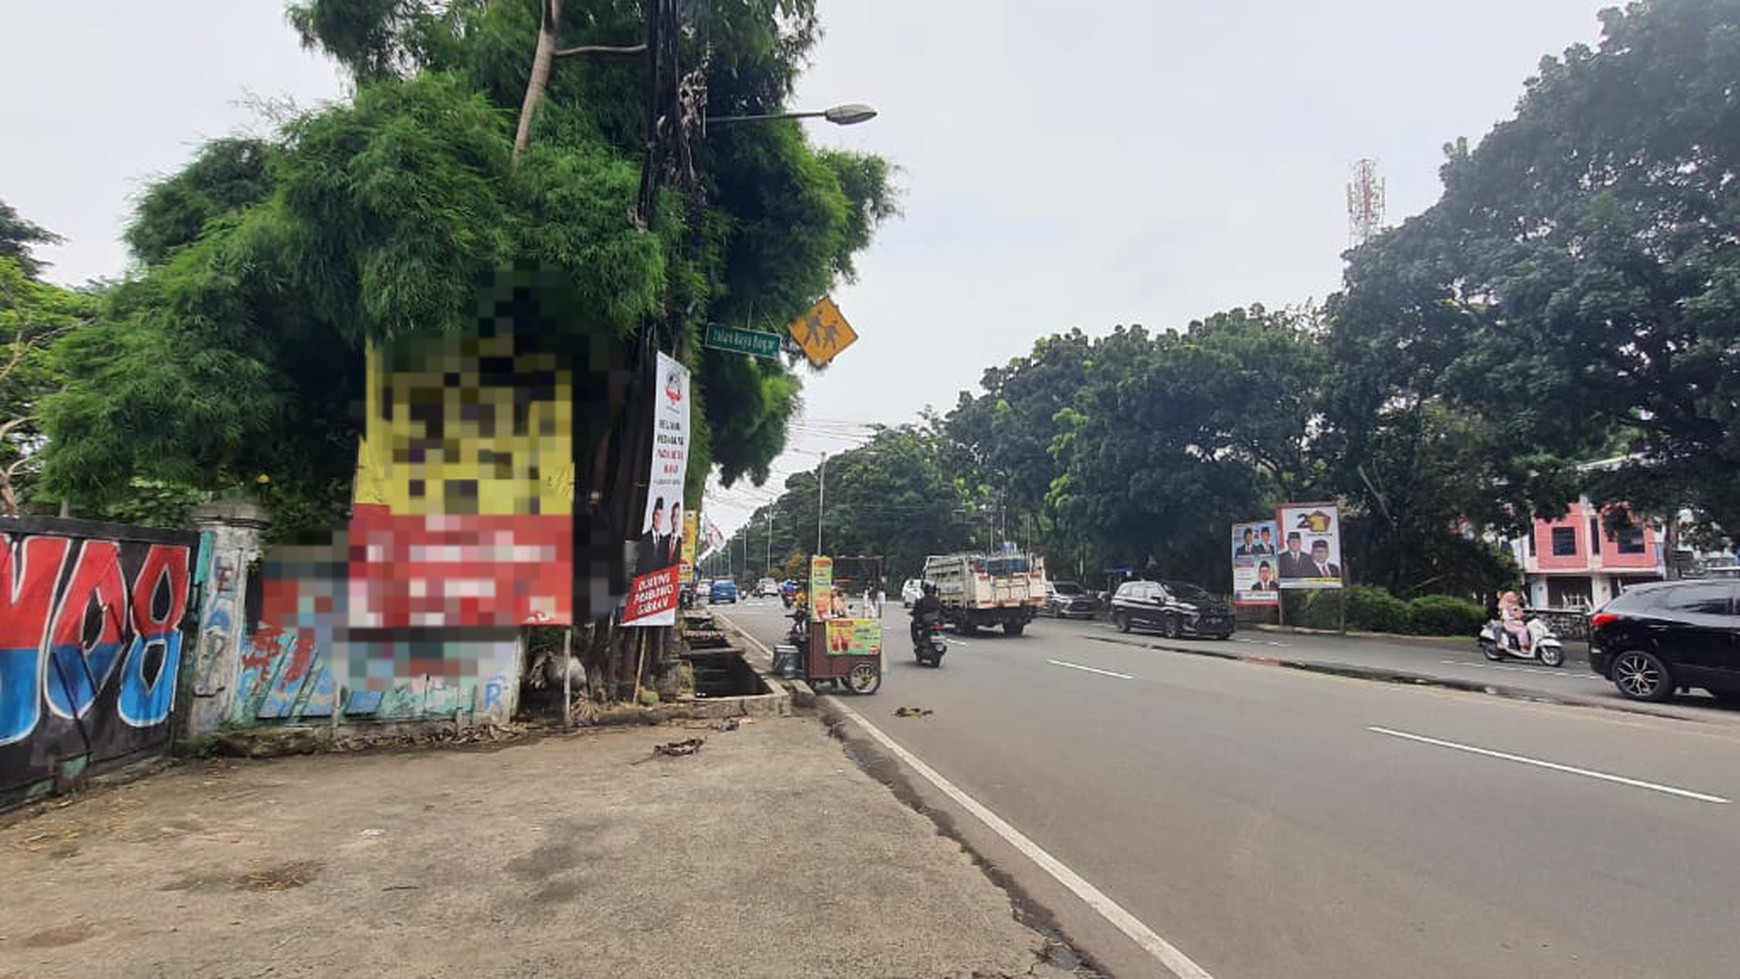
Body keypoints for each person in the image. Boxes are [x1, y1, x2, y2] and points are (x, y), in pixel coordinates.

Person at [637, 497, 668, 576]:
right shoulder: (644, 538)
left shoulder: (664, 542)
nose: (658, 519)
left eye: (661, 516)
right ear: (653, 515)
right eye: (657, 515)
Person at [909, 582, 942, 647]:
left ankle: (916, 643)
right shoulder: (937, 600)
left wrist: (913, 614)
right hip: (936, 621)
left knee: (913, 624)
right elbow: (941, 610)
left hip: (926, 622)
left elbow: (916, 611)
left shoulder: (921, 601)